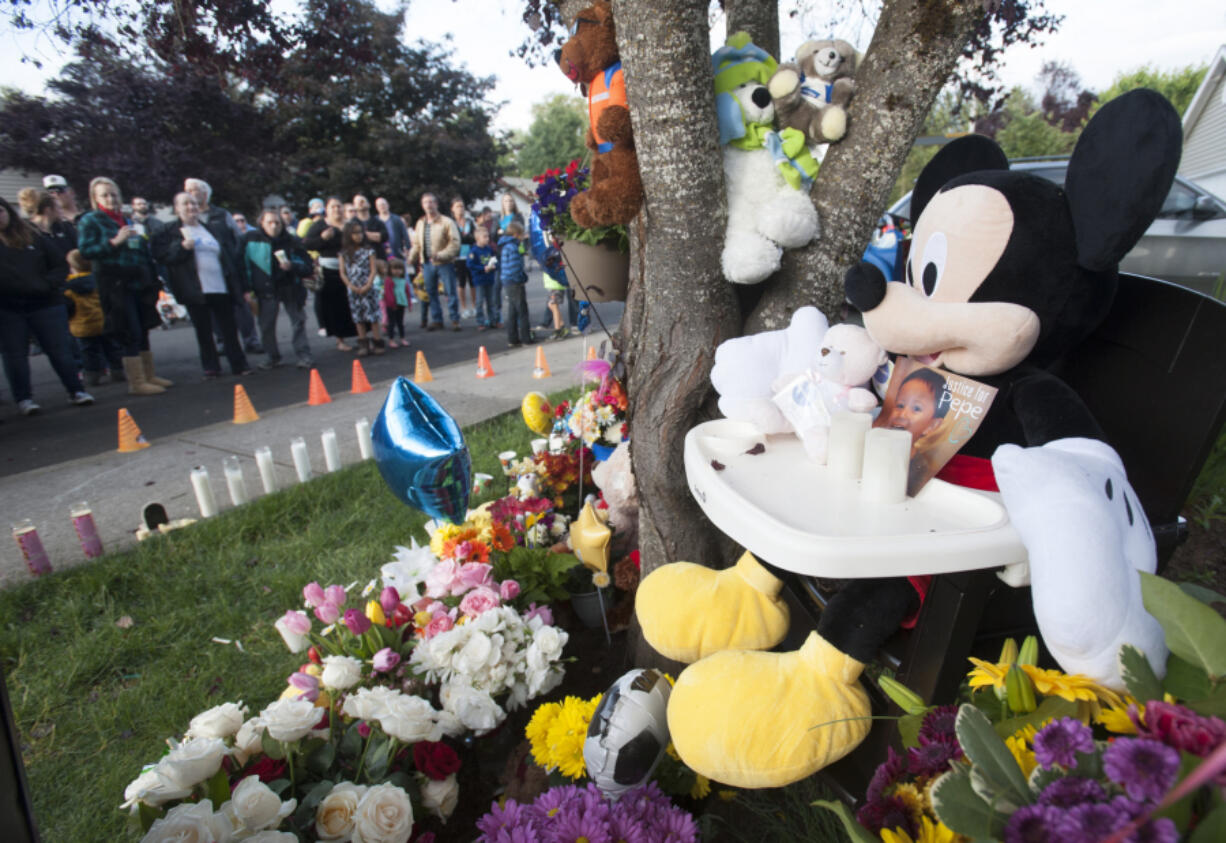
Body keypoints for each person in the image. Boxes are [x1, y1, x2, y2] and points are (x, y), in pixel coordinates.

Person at [0, 196, 94, 413]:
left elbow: (59, 264)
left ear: (8, 212)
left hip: (45, 303)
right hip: (8, 309)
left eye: (1, 211)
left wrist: (46, 285)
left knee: (60, 349)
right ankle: (24, 399)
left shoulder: (32, 236)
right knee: (15, 355)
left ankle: (76, 390)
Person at [77, 177, 169, 395]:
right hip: (115, 282)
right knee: (129, 329)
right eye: (105, 195)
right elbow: (86, 251)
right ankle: (136, 382)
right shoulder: (90, 220)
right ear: (95, 198)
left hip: (139, 280)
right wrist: (114, 241)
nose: (110, 198)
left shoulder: (126, 220)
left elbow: (140, 248)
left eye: (113, 194)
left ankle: (149, 375)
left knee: (144, 326)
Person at [155, 192, 252, 378]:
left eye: (193, 203)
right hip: (194, 288)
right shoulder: (169, 231)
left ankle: (239, 364)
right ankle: (211, 366)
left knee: (229, 328)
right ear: (176, 209)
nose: (191, 207)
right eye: (185, 204)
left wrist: (238, 285)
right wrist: (181, 247)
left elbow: (227, 257)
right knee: (203, 329)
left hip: (219, 286)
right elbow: (163, 256)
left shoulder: (210, 229)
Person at [184, 177, 262, 355]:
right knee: (214, 309)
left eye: (193, 189)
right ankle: (222, 341)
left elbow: (237, 238)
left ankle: (251, 340)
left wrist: (237, 262)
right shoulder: (188, 221)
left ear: (204, 193)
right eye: (187, 190)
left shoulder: (221, 214)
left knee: (241, 305)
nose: (189, 193)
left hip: (230, 269)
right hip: (206, 274)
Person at [243, 209, 315, 369]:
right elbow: (244, 266)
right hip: (265, 289)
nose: (274, 226)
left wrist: (292, 266)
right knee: (266, 324)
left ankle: (304, 355)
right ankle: (272, 357)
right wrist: (246, 289)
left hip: (291, 287)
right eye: (270, 222)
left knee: (298, 322)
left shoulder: (292, 241)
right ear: (261, 223)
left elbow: (308, 266)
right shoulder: (250, 240)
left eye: (277, 222)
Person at [303, 198, 357, 351]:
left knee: (354, 303)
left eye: (339, 206)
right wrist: (322, 238)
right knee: (335, 306)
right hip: (330, 270)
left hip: (352, 268)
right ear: (326, 209)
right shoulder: (320, 225)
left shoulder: (350, 224)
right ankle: (340, 340)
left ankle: (361, 335)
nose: (336, 209)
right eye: (333, 207)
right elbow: (306, 244)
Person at [63, 250, 123, 385]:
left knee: (88, 351)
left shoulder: (68, 287)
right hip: (104, 321)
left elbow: (68, 306)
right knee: (112, 347)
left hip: (83, 324)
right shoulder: (99, 280)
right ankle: (118, 370)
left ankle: (92, 375)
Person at [407, 193, 462, 331]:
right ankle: (437, 320)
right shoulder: (420, 223)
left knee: (450, 292)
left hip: (444, 262)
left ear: (436, 204)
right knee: (431, 292)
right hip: (426, 264)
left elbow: (455, 243)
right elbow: (417, 244)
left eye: (431, 202)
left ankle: (455, 319)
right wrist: (411, 257)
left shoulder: (446, 222)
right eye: (426, 202)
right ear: (422, 205)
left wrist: (441, 255)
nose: (429, 205)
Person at [339, 219, 384, 357]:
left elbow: (373, 269)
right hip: (353, 289)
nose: (358, 236)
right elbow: (342, 272)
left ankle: (377, 341)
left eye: (360, 233)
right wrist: (351, 286)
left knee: (373, 315)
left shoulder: (368, 251)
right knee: (358, 317)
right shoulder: (344, 253)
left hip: (368, 287)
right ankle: (363, 343)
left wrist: (368, 284)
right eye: (354, 233)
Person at [498, 221, 533, 347]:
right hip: (515, 282)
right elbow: (515, 267)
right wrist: (522, 278)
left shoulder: (505, 246)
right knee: (522, 310)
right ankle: (526, 338)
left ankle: (512, 339)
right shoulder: (513, 247)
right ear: (516, 235)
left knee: (512, 310)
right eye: (522, 234)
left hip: (507, 282)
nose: (523, 237)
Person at [466, 225, 498, 331]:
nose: (487, 239)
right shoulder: (474, 251)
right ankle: (481, 322)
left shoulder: (489, 249)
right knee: (479, 302)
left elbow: (495, 260)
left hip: (490, 279)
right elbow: (470, 265)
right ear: (478, 238)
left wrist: (493, 266)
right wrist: (482, 268)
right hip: (479, 280)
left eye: (488, 236)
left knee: (491, 301)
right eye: (485, 237)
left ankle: (493, 320)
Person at [29, 191, 77, 261]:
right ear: (48, 210)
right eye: (59, 208)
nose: (62, 211)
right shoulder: (31, 233)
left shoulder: (64, 227)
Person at [450, 197, 477, 319]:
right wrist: (464, 238)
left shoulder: (470, 222)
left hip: (470, 255)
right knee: (461, 283)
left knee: (473, 282)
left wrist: (465, 238)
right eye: (457, 206)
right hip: (458, 256)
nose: (460, 209)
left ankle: (475, 306)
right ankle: (464, 307)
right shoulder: (451, 223)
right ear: (452, 209)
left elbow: (474, 237)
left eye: (462, 206)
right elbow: (453, 239)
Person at [382, 257, 410, 349]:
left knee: (400, 322)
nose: (397, 271)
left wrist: (409, 303)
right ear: (390, 270)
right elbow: (388, 293)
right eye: (394, 269)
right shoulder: (389, 280)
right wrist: (392, 304)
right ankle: (391, 340)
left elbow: (407, 292)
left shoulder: (403, 281)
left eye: (399, 269)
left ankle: (402, 338)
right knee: (392, 323)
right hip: (392, 305)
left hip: (401, 304)